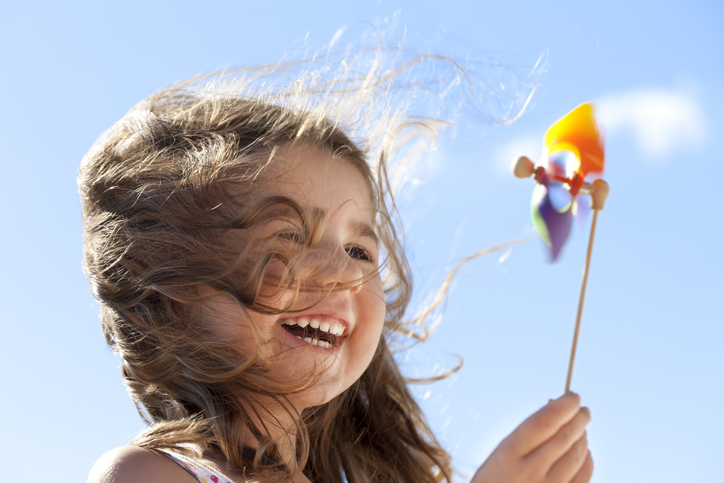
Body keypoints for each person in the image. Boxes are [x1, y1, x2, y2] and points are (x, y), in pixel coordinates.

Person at [80, 49, 593, 483]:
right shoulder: (149, 473)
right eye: (292, 236)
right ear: (172, 285)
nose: (348, 273)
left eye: (360, 251)